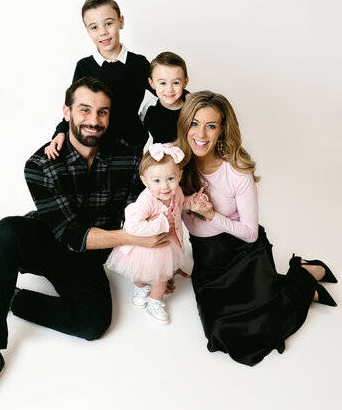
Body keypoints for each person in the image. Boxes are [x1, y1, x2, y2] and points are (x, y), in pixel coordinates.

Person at [0, 77, 173, 410]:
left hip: (88, 256)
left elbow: (142, 212)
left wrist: (159, 261)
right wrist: (131, 238)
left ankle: (7, 298)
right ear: (66, 113)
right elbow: (69, 232)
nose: (93, 120)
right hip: (48, 237)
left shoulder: (128, 157)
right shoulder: (39, 164)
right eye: (84, 110)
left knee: (93, 324)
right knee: (6, 231)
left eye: (101, 112)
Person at [176, 90, 337, 366]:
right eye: (194, 123)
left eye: (211, 125)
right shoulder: (176, 165)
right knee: (220, 334)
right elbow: (163, 214)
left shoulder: (236, 169)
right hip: (208, 261)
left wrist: (212, 215)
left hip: (244, 253)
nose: (201, 134)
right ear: (185, 124)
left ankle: (306, 278)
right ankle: (300, 280)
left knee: (263, 326)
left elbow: (250, 232)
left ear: (222, 129)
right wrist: (165, 267)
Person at [45, 0, 154, 154]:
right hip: (96, 143)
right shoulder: (84, 66)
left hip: (132, 143)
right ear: (88, 30)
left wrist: (189, 99)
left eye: (108, 23)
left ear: (121, 22)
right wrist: (60, 131)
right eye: (94, 27)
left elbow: (164, 87)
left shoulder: (138, 63)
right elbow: (73, 105)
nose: (103, 32)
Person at [106, 143, 189, 325]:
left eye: (170, 179)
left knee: (161, 277)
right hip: (141, 247)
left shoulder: (177, 193)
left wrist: (194, 202)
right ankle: (141, 289)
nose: (165, 186)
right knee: (138, 274)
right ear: (145, 181)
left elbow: (182, 204)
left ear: (179, 176)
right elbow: (133, 226)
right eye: (157, 181)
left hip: (165, 247)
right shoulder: (147, 200)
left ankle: (155, 303)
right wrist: (161, 223)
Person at [140, 51, 189, 143]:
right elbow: (140, 132)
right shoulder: (150, 107)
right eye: (163, 83)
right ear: (152, 83)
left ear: (185, 82)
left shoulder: (191, 107)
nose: (169, 89)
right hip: (159, 156)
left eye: (175, 83)